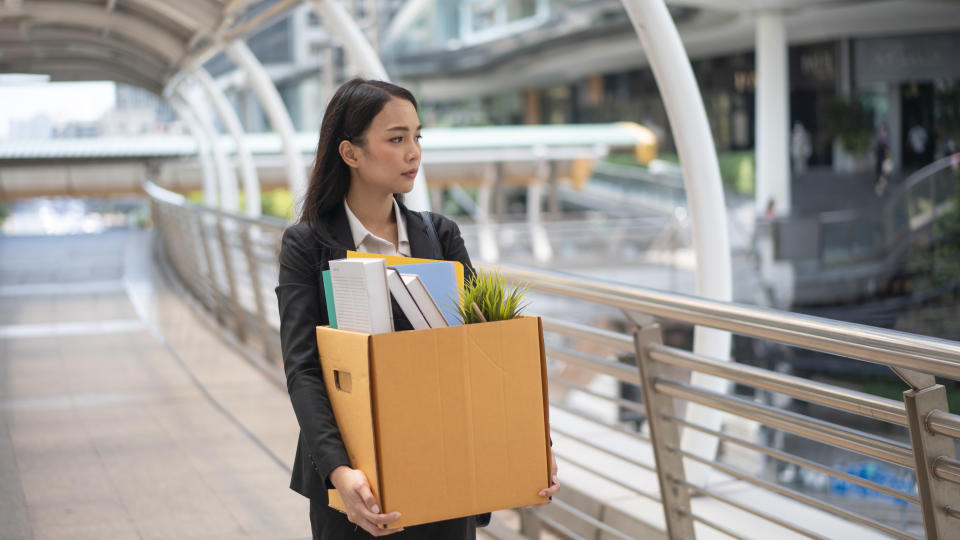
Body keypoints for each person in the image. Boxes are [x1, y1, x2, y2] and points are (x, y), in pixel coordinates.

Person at [275, 78, 560, 539]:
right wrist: (340, 472)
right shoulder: (308, 246)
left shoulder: (440, 236)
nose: (414, 152)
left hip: (446, 473)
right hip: (358, 487)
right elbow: (304, 370)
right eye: (396, 139)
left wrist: (531, 442)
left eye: (417, 136)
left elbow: (483, 352)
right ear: (350, 153)